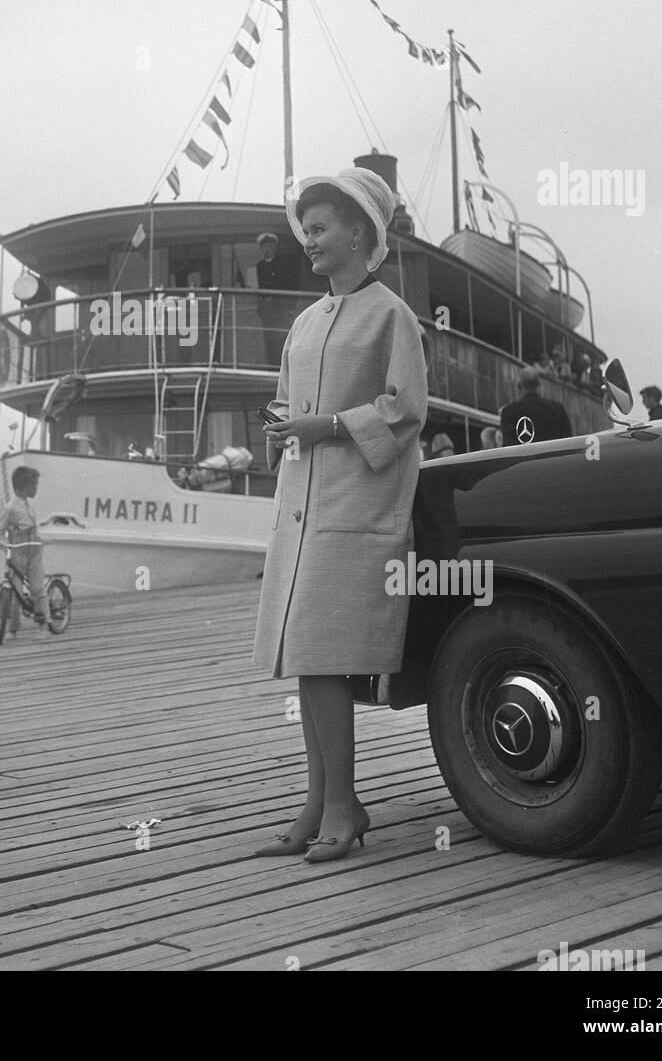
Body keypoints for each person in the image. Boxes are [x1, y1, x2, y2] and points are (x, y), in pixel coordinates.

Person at [253, 166, 427, 864]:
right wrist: (283, 427)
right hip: (302, 507)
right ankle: (320, 800)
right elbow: (287, 404)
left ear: (361, 232)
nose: (310, 242)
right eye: (308, 230)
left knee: (323, 656)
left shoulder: (391, 314)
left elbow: (406, 409)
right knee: (307, 658)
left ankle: (344, 806)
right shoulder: (306, 320)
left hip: (356, 505)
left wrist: (323, 427)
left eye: (321, 229)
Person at [0, 465, 51, 633]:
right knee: (15, 594)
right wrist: (8, 548)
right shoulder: (10, 508)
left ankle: (44, 626)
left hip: (33, 550)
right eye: (35, 485)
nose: (36, 488)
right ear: (26, 487)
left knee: (37, 589)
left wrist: (40, 540)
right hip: (18, 551)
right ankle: (13, 629)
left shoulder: (28, 506)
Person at [254, 232, 299, 367]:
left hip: (281, 309)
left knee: (282, 340)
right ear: (261, 249)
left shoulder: (284, 263)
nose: (268, 249)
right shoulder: (260, 266)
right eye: (265, 247)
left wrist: (290, 306)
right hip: (268, 312)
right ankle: (271, 366)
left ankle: (281, 368)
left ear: (275, 247)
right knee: (269, 340)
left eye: (270, 246)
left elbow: (293, 285)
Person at [500, 366, 573, 445]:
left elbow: (509, 447)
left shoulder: (509, 412)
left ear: (519, 386)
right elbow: (568, 443)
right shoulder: (558, 409)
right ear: (539, 385)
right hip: (553, 456)